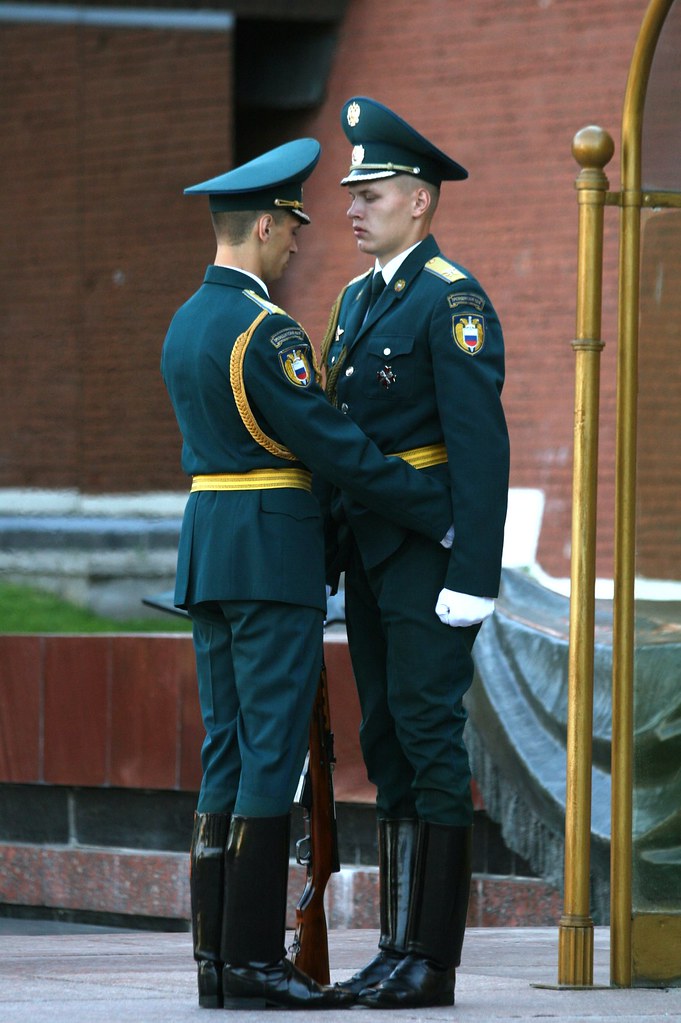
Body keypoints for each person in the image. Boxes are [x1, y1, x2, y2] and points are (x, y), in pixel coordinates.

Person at [160, 138, 457, 1011]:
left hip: (208, 544)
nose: (297, 240)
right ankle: (254, 960)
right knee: (270, 756)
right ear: (260, 225)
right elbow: (332, 444)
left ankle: (215, 961)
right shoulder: (266, 330)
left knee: (223, 749)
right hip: (270, 551)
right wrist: (428, 502)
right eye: (289, 225)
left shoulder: (185, 321)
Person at [320, 98, 510, 1009]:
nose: (354, 206)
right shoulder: (359, 298)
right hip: (370, 551)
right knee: (386, 739)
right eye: (353, 191)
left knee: (430, 737)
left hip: (429, 553)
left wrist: (474, 574)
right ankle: (395, 946)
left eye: (376, 191)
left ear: (421, 203)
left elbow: (480, 445)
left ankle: (431, 958)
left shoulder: (451, 298)